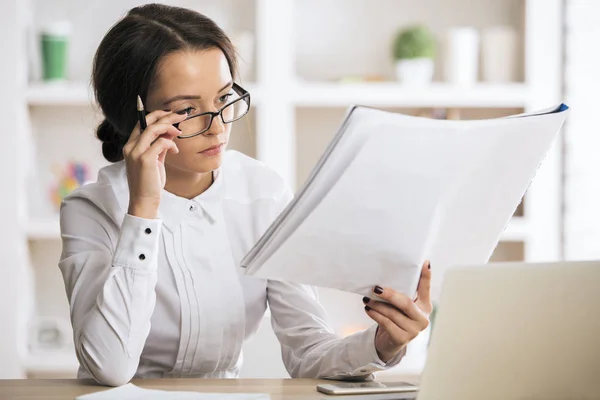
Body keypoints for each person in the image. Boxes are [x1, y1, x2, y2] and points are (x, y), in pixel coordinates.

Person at [58, 3, 432, 387]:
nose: (217, 127)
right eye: (186, 110)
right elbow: (109, 367)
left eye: (222, 99)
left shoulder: (262, 193)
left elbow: (307, 353)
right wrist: (144, 210)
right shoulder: (91, 209)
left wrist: (381, 345)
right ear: (134, 116)